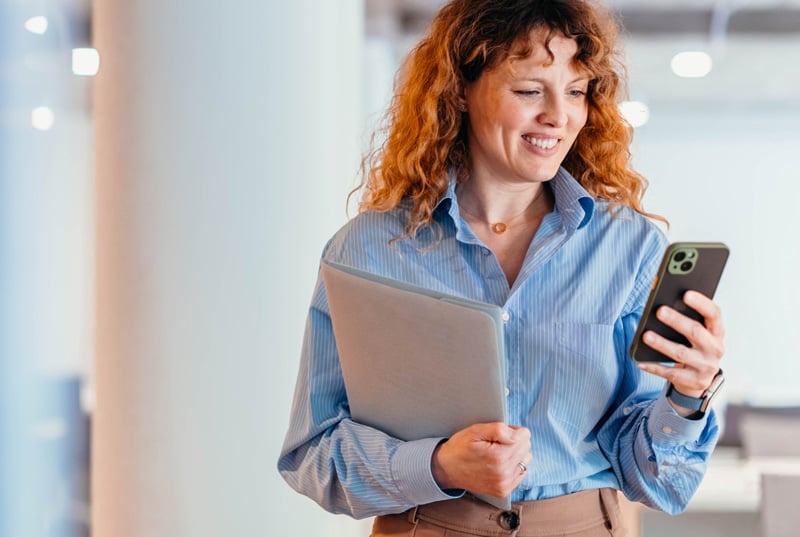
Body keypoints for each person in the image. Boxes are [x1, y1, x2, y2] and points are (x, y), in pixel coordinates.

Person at [278, 0, 726, 535]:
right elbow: (313, 453)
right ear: (460, 91)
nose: (558, 116)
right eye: (530, 90)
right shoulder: (368, 250)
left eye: (576, 91)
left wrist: (687, 397)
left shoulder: (629, 247)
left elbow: (656, 481)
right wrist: (437, 464)